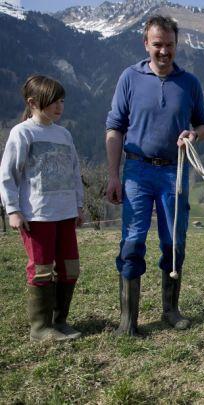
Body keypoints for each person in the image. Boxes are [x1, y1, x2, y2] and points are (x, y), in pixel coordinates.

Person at [105, 15, 204, 336]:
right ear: (145, 44)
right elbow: (114, 128)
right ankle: (128, 320)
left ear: (176, 45)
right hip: (136, 170)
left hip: (173, 172)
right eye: (158, 45)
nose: (164, 51)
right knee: (133, 241)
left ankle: (171, 310)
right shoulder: (129, 77)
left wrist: (195, 136)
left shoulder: (189, 83)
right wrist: (113, 175)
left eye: (170, 45)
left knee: (174, 243)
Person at [0, 75, 85, 342]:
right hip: (37, 215)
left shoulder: (64, 134)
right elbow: (8, 174)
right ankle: (40, 327)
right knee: (42, 268)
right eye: (53, 102)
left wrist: (78, 205)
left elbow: (74, 172)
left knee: (70, 267)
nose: (59, 107)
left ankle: (60, 321)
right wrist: (13, 209)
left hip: (65, 213)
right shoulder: (23, 132)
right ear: (33, 102)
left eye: (62, 101)